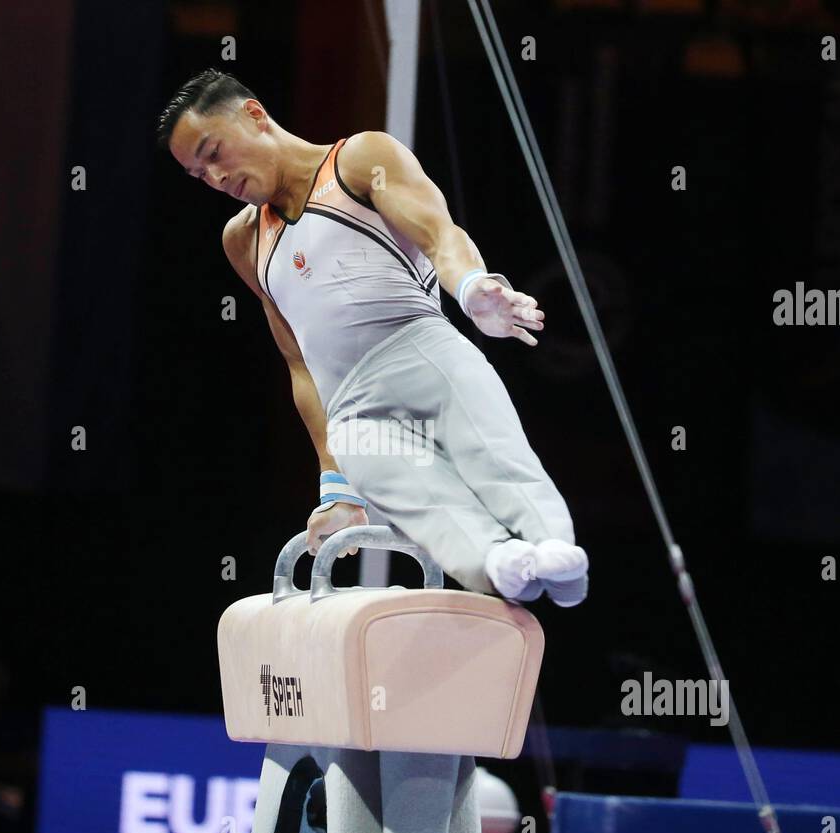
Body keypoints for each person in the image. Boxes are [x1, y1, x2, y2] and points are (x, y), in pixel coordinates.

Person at [159, 68, 587, 606]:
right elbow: (299, 365)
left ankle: (555, 547)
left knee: (495, 460)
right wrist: (334, 485)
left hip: (422, 352)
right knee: (418, 499)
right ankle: (499, 562)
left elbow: (439, 234)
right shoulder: (243, 241)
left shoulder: (358, 160)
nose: (215, 178)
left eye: (214, 152)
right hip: (355, 413)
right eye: (199, 174)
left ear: (253, 114)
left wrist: (473, 287)